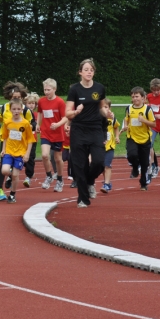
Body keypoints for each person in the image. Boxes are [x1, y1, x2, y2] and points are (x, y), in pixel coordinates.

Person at [65, 59, 107, 208]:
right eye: (86, 69)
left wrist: (107, 113)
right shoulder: (75, 89)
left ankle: (90, 181)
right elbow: (67, 112)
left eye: (91, 70)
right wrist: (76, 111)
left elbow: (101, 108)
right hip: (79, 130)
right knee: (79, 165)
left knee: (99, 161)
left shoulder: (100, 88)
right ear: (80, 72)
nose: (89, 72)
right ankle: (83, 199)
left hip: (95, 129)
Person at [0, 82, 35, 200]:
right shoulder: (5, 108)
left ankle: (12, 193)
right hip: (7, 144)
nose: (16, 110)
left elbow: (32, 127)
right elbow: (2, 121)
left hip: (20, 147)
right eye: (14, 97)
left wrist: (29, 127)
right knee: (4, 168)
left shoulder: (26, 112)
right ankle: (1, 188)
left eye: (18, 97)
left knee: (15, 174)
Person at [36, 78, 68, 192]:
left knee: (58, 158)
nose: (46, 92)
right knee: (45, 155)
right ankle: (49, 175)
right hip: (45, 132)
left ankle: (60, 179)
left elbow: (65, 117)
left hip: (57, 134)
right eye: (45, 90)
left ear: (54, 89)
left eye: (48, 90)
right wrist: (38, 124)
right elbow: (40, 112)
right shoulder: (41, 101)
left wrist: (58, 124)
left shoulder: (60, 102)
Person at [124, 86, 156, 191]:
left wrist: (144, 120)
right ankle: (134, 168)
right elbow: (126, 119)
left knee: (144, 163)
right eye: (133, 97)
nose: (135, 99)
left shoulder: (147, 109)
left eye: (137, 96)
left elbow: (154, 124)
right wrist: (125, 126)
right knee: (131, 155)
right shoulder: (129, 108)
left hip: (145, 138)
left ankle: (143, 183)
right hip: (132, 137)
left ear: (143, 98)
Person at [100, 98, 120, 193]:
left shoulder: (112, 118)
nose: (105, 109)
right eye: (103, 107)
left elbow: (116, 127)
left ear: (110, 108)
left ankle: (107, 184)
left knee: (107, 165)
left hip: (110, 146)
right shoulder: (98, 117)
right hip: (100, 146)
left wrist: (117, 137)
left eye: (106, 107)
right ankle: (106, 181)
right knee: (101, 166)